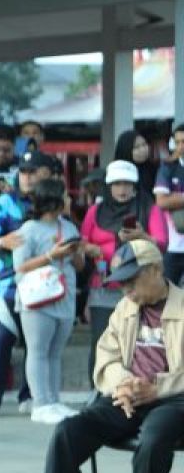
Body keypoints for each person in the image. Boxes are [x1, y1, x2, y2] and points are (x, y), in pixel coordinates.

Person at [6, 240, 184, 473]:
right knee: (68, 431)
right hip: (125, 397)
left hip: (173, 401)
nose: (126, 289)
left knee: (153, 441)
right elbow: (107, 357)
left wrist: (156, 388)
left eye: (133, 281)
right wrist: (124, 384)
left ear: (156, 271)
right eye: (123, 282)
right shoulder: (125, 309)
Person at [0, 151, 62, 418]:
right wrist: (2, 243)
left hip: (44, 285)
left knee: (37, 344)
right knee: (0, 340)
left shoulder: (54, 203)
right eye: (23, 171)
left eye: (34, 171)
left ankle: (30, 396)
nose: (27, 176)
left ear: (46, 173)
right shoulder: (4, 202)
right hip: (9, 284)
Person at [80, 159, 168, 379]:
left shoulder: (149, 208)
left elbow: (162, 243)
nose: (122, 189)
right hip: (103, 285)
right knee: (100, 340)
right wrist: (89, 248)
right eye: (117, 184)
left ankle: (133, 387)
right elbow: (81, 241)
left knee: (135, 342)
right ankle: (99, 391)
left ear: (135, 186)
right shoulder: (95, 211)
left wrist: (142, 236)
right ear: (109, 186)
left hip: (139, 287)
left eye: (127, 184)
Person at [13, 178, 85, 424]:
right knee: (38, 350)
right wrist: (50, 255)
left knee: (55, 352)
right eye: (64, 196)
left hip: (65, 295)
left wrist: (76, 253)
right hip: (38, 298)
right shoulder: (28, 230)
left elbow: (80, 264)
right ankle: (40, 403)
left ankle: (54, 400)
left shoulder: (70, 228)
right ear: (53, 201)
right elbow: (20, 267)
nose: (69, 200)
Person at [152, 123, 184, 285]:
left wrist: (176, 198)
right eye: (177, 142)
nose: (181, 147)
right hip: (174, 247)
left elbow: (168, 198)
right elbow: (162, 201)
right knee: (167, 299)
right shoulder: (168, 166)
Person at [115, 129, 157, 200]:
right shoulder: (116, 173)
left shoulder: (154, 170)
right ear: (126, 150)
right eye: (137, 147)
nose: (143, 149)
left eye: (144, 144)